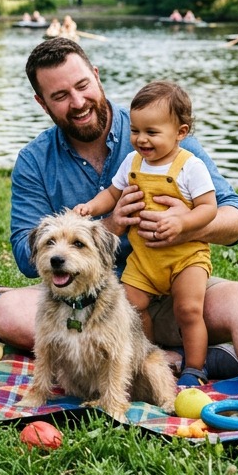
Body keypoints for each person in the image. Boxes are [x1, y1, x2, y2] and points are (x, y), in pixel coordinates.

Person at [0, 37, 238, 427]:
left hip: (170, 287)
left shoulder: (162, 128)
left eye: (83, 86)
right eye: (61, 95)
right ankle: (193, 356)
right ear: (42, 103)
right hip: (83, 302)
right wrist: (113, 226)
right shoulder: (34, 161)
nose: (78, 102)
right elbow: (23, 253)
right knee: (6, 310)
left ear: (97, 77)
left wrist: (184, 226)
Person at [73, 81, 218, 387]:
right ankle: (150, 357)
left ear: (181, 132)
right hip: (144, 259)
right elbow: (112, 194)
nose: (141, 139)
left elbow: (208, 208)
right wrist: (90, 207)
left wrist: (184, 223)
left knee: (188, 309)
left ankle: (195, 367)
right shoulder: (133, 162)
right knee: (133, 307)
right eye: (136, 131)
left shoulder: (190, 167)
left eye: (152, 132)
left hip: (185, 257)